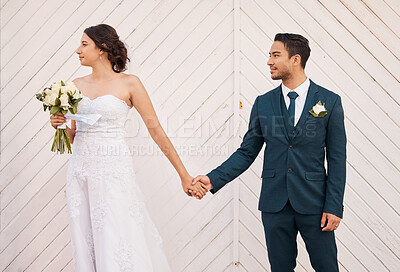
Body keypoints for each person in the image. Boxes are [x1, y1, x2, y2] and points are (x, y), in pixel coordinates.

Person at [50, 24, 207, 271]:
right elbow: (71, 136)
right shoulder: (74, 86)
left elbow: (156, 130)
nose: (78, 50)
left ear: (101, 49)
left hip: (113, 171)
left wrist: (184, 175)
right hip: (80, 171)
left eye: (84, 44)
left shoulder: (130, 83)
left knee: (117, 233)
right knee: (85, 238)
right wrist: (59, 125)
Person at [192, 33, 347, 271]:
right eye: (269, 55)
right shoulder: (263, 103)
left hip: (316, 204)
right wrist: (212, 179)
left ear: (295, 59)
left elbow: (337, 159)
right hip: (275, 205)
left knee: (327, 267)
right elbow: (246, 152)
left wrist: (334, 206)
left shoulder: (329, 101)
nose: (269, 62)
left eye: (276, 55)